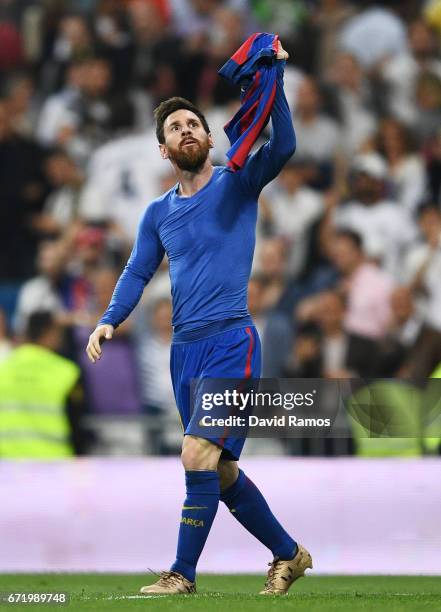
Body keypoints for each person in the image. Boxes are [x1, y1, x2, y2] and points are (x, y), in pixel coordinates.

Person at [86, 39, 312, 596]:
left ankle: (181, 575)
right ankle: (289, 554)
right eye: (174, 128)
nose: (185, 130)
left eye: (193, 123)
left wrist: (273, 80)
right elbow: (138, 272)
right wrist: (109, 318)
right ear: (164, 150)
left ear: (211, 137)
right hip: (183, 351)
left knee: (194, 454)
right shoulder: (157, 212)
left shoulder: (238, 183)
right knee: (220, 470)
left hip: (232, 340)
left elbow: (281, 143)